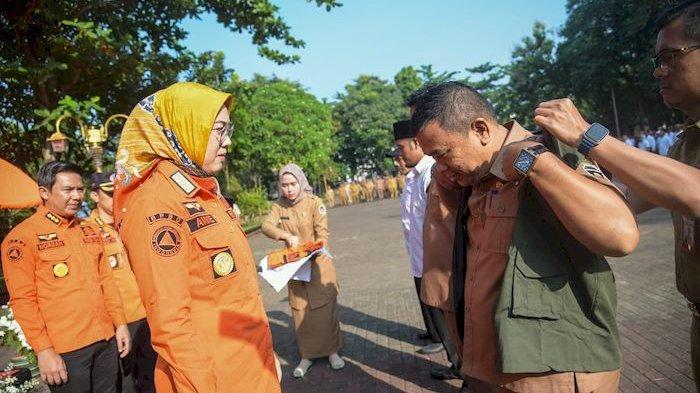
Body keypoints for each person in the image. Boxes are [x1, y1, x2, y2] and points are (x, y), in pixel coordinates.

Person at [411, 81, 639, 392]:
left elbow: (621, 237)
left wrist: (534, 162)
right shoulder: (471, 178)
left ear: (480, 129)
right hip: (493, 367)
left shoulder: (549, 150)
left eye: (443, 153)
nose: (440, 167)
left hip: (553, 373)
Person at [535, 2, 700, 389]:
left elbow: (695, 192)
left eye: (670, 57)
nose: (659, 70)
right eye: (656, 60)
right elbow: (625, 200)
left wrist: (588, 137)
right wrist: (553, 176)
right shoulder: (688, 141)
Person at [113, 82, 281, 393]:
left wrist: (266, 356)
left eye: (228, 129)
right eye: (219, 129)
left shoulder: (204, 193)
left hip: (250, 365)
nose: (227, 141)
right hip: (213, 379)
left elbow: (231, 295)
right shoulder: (157, 203)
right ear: (184, 128)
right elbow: (171, 324)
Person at [1, 161, 130, 392]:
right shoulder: (21, 238)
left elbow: (106, 282)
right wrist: (44, 350)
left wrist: (120, 324)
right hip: (67, 350)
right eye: (68, 189)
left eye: (80, 189)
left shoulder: (89, 231)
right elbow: (23, 300)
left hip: (106, 342)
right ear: (44, 192)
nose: (77, 196)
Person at [261, 163, 344, 378]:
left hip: (318, 265)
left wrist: (313, 249)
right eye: (284, 185)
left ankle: (333, 352)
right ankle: (306, 356)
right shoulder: (279, 206)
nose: (288, 189)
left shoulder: (315, 203)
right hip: (296, 271)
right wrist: (285, 236)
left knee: (325, 311)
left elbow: (322, 235)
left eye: (293, 184)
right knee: (299, 312)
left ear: (301, 182)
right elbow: (266, 226)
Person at [86, 172, 157, 393]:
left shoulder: (129, 222)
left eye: (117, 191)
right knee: (127, 386)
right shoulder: (88, 231)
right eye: (109, 193)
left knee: (153, 380)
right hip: (121, 322)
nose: (115, 197)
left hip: (148, 314)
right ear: (94, 196)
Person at [393, 120, 444, 355]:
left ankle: (443, 339)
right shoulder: (413, 175)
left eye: (401, 148)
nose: (399, 154)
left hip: (431, 251)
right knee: (423, 292)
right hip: (417, 249)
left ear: (416, 143)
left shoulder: (430, 172)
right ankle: (433, 332)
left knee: (436, 299)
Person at [421, 162, 465, 385]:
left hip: (452, 267)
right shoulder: (434, 179)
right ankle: (459, 369)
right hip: (436, 265)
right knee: (452, 329)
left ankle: (470, 380)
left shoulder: (457, 181)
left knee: (463, 331)